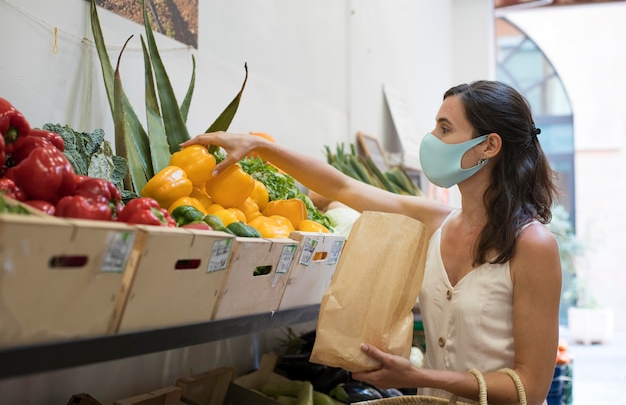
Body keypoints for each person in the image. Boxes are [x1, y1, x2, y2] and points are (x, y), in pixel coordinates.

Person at [182, 80, 562, 405]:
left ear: (489, 146)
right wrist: (258, 146)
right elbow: (343, 186)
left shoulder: (532, 245)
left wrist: (416, 374)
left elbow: (531, 386)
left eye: (445, 129)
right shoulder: (437, 223)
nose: (432, 140)